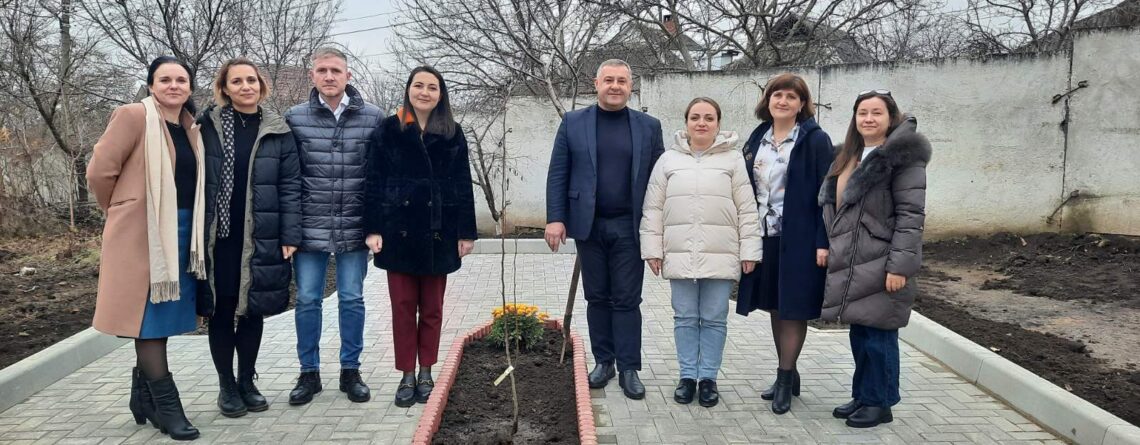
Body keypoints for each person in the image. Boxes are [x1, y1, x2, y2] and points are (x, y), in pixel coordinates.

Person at [86, 56, 205, 440]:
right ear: (151, 84)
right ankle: (169, 409)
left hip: (182, 233)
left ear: (190, 87)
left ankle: (143, 398)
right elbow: (99, 171)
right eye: (165, 79)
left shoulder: (190, 126)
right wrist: (121, 208)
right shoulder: (133, 116)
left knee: (162, 319)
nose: (173, 86)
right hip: (143, 235)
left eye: (181, 80)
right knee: (149, 319)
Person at [545, 59, 665, 400]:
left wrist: (659, 228)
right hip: (589, 226)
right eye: (609, 80)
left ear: (631, 87)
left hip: (630, 226)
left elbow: (659, 179)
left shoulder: (648, 126)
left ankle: (629, 368)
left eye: (622, 81)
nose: (615, 86)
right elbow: (558, 172)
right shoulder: (573, 123)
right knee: (597, 296)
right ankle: (604, 361)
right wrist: (556, 218)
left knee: (627, 299)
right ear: (596, 84)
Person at [364, 66, 478, 407]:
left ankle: (426, 371)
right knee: (402, 308)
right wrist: (372, 228)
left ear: (441, 94)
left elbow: (463, 183)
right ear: (408, 89)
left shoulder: (452, 132)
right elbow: (373, 181)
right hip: (396, 231)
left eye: (432, 87)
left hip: (439, 232)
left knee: (432, 309)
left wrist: (466, 233)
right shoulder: (389, 129)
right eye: (419, 85)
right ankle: (406, 374)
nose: (425, 92)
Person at [640, 97, 761, 407]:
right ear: (686, 123)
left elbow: (747, 209)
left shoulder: (733, 160)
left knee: (714, 318)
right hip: (679, 253)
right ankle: (687, 377)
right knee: (684, 318)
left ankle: (708, 378)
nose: (702, 123)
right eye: (695, 117)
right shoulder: (668, 160)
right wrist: (652, 249)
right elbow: (653, 208)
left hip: (721, 253)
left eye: (709, 117)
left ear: (718, 123)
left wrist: (750, 250)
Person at [819, 90, 930, 428]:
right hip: (853, 259)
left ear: (891, 117)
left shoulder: (901, 158)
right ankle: (864, 395)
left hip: (882, 261)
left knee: (879, 336)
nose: (868, 118)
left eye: (876, 112)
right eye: (862, 112)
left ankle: (880, 403)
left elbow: (911, 216)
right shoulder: (848, 156)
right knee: (861, 333)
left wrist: (899, 267)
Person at [198, 58, 301, 417]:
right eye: (237, 81)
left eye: (251, 80)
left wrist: (290, 234)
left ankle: (246, 381)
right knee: (222, 310)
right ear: (224, 88)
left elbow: (291, 186)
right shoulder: (207, 126)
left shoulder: (278, 129)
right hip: (220, 237)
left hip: (261, 235)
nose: (246, 86)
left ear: (261, 85)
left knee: (252, 310)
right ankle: (226, 385)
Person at [284, 47, 383, 405]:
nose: (329, 76)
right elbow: (288, 178)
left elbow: (379, 177)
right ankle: (308, 373)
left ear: (348, 76)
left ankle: (350, 370)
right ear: (312, 75)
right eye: (322, 70)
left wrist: (375, 225)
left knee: (352, 299)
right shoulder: (295, 118)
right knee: (308, 299)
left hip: (354, 226)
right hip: (309, 228)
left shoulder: (373, 117)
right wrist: (289, 231)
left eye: (336, 71)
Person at [735, 73, 834, 415]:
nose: (783, 101)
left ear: (802, 104)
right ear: (768, 100)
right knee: (777, 306)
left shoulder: (815, 140)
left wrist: (823, 241)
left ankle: (784, 379)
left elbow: (826, 196)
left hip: (800, 240)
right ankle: (788, 373)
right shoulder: (758, 137)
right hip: (765, 237)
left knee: (794, 307)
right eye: (777, 94)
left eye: (792, 96)